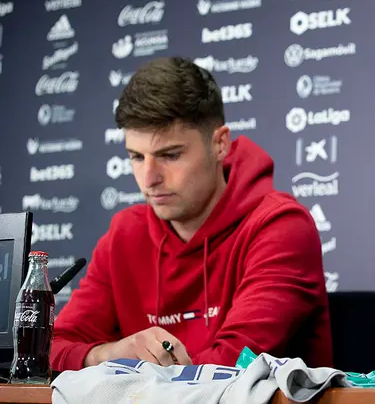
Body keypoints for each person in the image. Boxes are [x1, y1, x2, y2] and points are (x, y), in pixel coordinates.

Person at [50, 56, 333, 371]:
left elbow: (231, 369)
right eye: (136, 157)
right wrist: (110, 353)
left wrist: (125, 371)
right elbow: (53, 348)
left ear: (220, 144)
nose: (149, 178)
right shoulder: (125, 233)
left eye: (170, 155)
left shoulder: (280, 227)